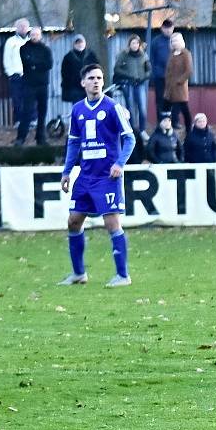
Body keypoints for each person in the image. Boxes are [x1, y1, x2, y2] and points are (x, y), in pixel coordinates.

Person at [58, 64, 136, 288]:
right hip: (85, 176)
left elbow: (130, 138)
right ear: (83, 82)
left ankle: (123, 275)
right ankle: (78, 273)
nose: (96, 81)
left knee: (111, 222)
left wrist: (120, 163)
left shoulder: (113, 107)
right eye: (91, 78)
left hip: (107, 176)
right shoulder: (77, 110)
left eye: (100, 78)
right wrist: (67, 172)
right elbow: (73, 143)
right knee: (73, 221)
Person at [15, 27, 53, 146]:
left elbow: (49, 64)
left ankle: (40, 138)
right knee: (27, 111)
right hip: (29, 85)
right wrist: (37, 64)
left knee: (42, 112)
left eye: (37, 34)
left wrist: (34, 64)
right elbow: (26, 62)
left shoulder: (46, 50)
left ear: (40, 36)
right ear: (29, 35)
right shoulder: (24, 48)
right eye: (32, 34)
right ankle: (21, 138)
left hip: (43, 85)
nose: (35, 36)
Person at [114, 34, 151, 135]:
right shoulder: (123, 55)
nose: (135, 45)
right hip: (128, 83)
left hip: (140, 84)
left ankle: (142, 130)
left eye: (137, 43)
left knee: (142, 108)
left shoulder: (143, 55)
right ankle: (132, 130)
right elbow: (117, 69)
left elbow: (149, 70)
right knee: (130, 108)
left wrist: (144, 77)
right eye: (133, 43)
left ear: (139, 44)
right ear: (129, 44)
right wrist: (129, 75)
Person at [3, 18, 30, 127]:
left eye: (24, 26)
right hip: (16, 76)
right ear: (16, 28)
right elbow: (6, 59)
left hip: (29, 76)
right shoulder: (11, 41)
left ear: (28, 28)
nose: (23, 28)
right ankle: (18, 121)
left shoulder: (30, 41)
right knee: (17, 100)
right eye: (20, 26)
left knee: (29, 99)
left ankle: (30, 121)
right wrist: (10, 73)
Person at [61, 34, 99, 108]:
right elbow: (64, 74)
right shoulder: (68, 57)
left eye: (81, 42)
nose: (79, 44)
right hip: (75, 89)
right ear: (74, 44)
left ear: (85, 43)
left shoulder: (91, 55)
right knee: (78, 109)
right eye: (77, 43)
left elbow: (97, 70)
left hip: (90, 86)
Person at [164, 32, 193, 131]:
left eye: (176, 40)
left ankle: (188, 129)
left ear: (181, 41)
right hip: (170, 87)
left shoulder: (186, 53)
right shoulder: (171, 54)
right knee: (175, 108)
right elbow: (168, 70)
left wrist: (179, 81)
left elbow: (188, 71)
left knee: (183, 108)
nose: (174, 43)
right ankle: (173, 127)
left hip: (180, 87)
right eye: (172, 41)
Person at [151, 19, 174, 113]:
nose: (168, 30)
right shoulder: (156, 41)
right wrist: (154, 73)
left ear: (173, 28)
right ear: (162, 28)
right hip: (159, 75)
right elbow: (151, 58)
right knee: (160, 99)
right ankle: (160, 122)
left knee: (172, 99)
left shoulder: (175, 40)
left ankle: (172, 122)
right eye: (166, 28)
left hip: (173, 76)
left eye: (170, 28)